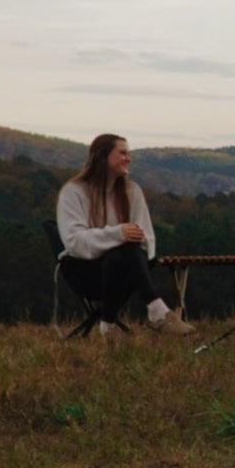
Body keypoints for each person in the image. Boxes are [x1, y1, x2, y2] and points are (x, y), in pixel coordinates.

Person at [55, 133, 195, 337]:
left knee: (128, 249)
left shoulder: (132, 191)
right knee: (126, 247)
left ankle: (112, 324)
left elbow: (148, 240)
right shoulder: (73, 192)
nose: (128, 158)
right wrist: (118, 234)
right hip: (85, 271)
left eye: (128, 153)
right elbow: (74, 241)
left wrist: (127, 238)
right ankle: (155, 313)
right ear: (102, 157)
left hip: (127, 271)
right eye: (122, 153)